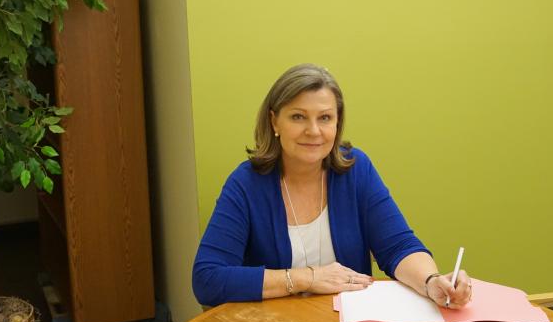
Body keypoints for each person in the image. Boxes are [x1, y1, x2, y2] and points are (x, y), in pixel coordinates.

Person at [192, 63, 472, 308]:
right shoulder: (246, 184)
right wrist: (308, 278)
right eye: (298, 117)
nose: (313, 131)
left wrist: (431, 281)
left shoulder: (355, 169)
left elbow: (398, 246)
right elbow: (208, 279)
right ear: (274, 121)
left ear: (337, 123)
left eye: (325, 118)